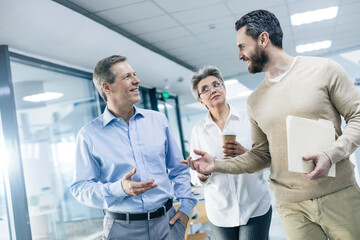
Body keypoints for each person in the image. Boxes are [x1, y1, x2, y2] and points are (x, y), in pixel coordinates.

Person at [182, 9, 360, 240]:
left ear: (263, 39)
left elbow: (357, 115)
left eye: (242, 46)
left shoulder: (323, 70)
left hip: (339, 194)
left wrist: (331, 154)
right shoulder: (255, 101)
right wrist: (216, 165)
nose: (239, 55)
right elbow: (261, 155)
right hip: (291, 207)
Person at [70, 55, 197, 240]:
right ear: (107, 87)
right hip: (123, 230)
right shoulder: (89, 135)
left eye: (134, 74)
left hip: (167, 224)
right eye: (127, 77)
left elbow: (179, 168)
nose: (136, 80)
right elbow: (80, 188)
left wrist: (186, 206)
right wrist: (119, 189)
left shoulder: (158, 121)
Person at [188, 66, 272, 240]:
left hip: (255, 206)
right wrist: (202, 174)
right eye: (205, 89)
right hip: (220, 212)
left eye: (216, 84)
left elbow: (268, 159)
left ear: (224, 89)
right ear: (200, 100)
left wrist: (246, 153)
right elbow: (195, 177)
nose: (213, 90)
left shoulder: (249, 120)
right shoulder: (198, 131)